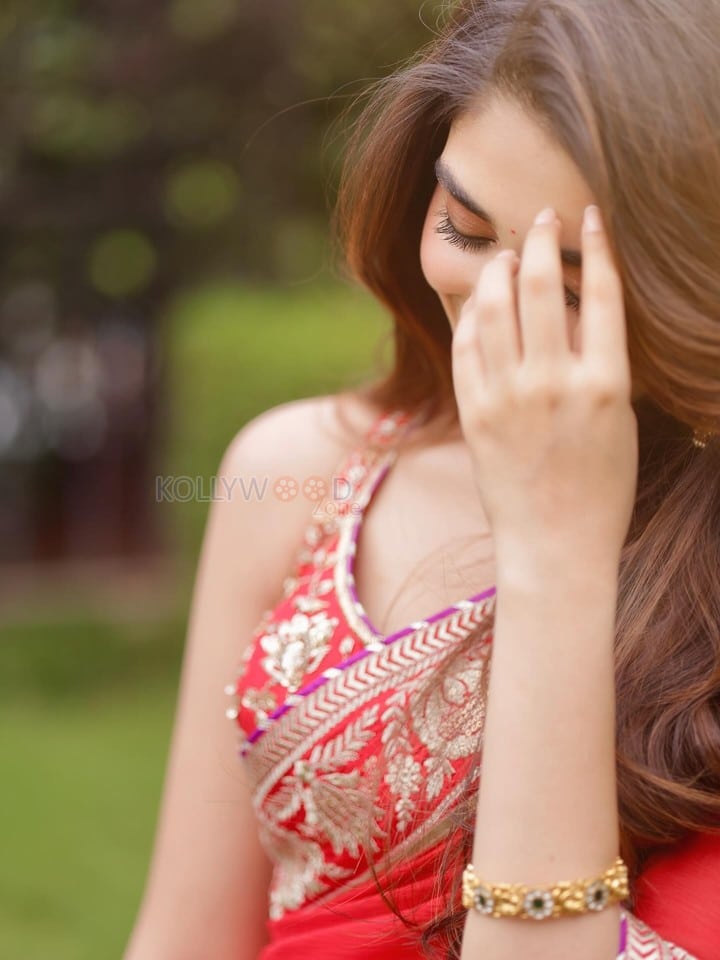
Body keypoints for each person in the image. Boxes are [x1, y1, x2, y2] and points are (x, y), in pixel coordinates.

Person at [122, 1, 720, 957]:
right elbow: (183, 939)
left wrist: (555, 554)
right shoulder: (297, 474)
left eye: (570, 288)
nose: (489, 311)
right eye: (466, 229)